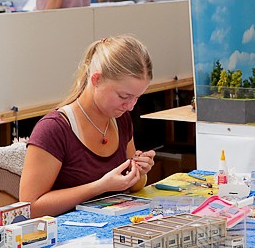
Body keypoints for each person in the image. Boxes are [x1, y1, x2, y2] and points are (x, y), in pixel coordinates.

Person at [19, 35, 155, 218]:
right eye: (124, 96)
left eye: (137, 98)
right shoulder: (54, 129)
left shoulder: (121, 119)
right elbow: (30, 208)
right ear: (96, 79)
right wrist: (99, 186)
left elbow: (132, 185)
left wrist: (139, 172)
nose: (130, 106)